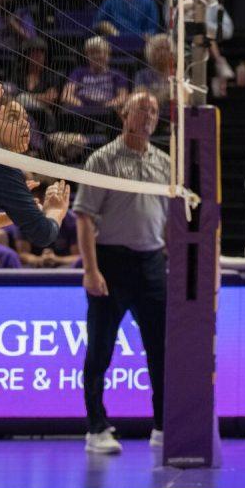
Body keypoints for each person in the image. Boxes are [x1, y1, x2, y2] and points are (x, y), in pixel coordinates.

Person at [75, 91, 170, 454]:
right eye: (141, 109)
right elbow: (84, 217)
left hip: (152, 264)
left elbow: (172, 221)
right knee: (100, 350)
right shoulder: (103, 159)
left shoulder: (164, 162)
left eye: (154, 111)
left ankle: (162, 427)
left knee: (160, 351)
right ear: (124, 114)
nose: (148, 116)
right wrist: (91, 270)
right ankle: (96, 429)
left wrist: (172, 264)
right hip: (111, 262)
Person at [0, 87, 70, 251]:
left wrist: (12, 214)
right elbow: (42, 234)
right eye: (13, 117)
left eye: (26, 119)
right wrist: (56, 211)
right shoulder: (1, 164)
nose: (24, 124)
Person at [62, 36, 130, 110]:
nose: (95, 56)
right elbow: (66, 95)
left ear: (107, 54)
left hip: (107, 113)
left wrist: (106, 107)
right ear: (87, 56)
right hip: (81, 112)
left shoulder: (118, 75)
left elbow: (123, 98)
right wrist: (82, 107)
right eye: (91, 53)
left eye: (98, 52)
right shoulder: (78, 72)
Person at [133, 34, 173, 109]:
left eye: (167, 49)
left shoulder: (179, 75)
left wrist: (155, 94)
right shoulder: (141, 76)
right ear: (150, 51)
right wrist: (167, 93)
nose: (163, 53)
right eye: (159, 49)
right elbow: (143, 102)